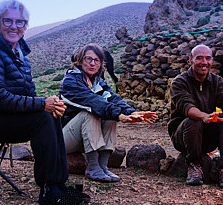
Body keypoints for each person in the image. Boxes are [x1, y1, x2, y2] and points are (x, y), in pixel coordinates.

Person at [0, 0, 87, 205]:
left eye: (20, 22)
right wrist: (43, 104)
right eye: (8, 21)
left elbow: (28, 94)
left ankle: (59, 184)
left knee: (52, 113)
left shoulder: (21, 56)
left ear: (26, 26)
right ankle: (49, 190)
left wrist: (50, 104)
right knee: (42, 116)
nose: (14, 26)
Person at [60, 43, 157, 182]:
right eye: (88, 59)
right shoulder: (70, 81)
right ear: (80, 61)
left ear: (101, 63)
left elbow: (113, 99)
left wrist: (131, 112)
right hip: (64, 138)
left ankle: (103, 166)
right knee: (92, 112)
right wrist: (119, 114)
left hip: (85, 138)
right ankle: (93, 166)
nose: (93, 63)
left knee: (110, 117)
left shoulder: (99, 83)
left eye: (97, 60)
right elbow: (93, 102)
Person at [168, 44, 223, 188]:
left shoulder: (218, 81)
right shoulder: (179, 82)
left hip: (207, 136)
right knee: (194, 121)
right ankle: (194, 165)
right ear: (190, 60)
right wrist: (204, 116)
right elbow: (187, 107)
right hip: (184, 136)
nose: (204, 62)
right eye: (199, 58)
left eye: (208, 58)